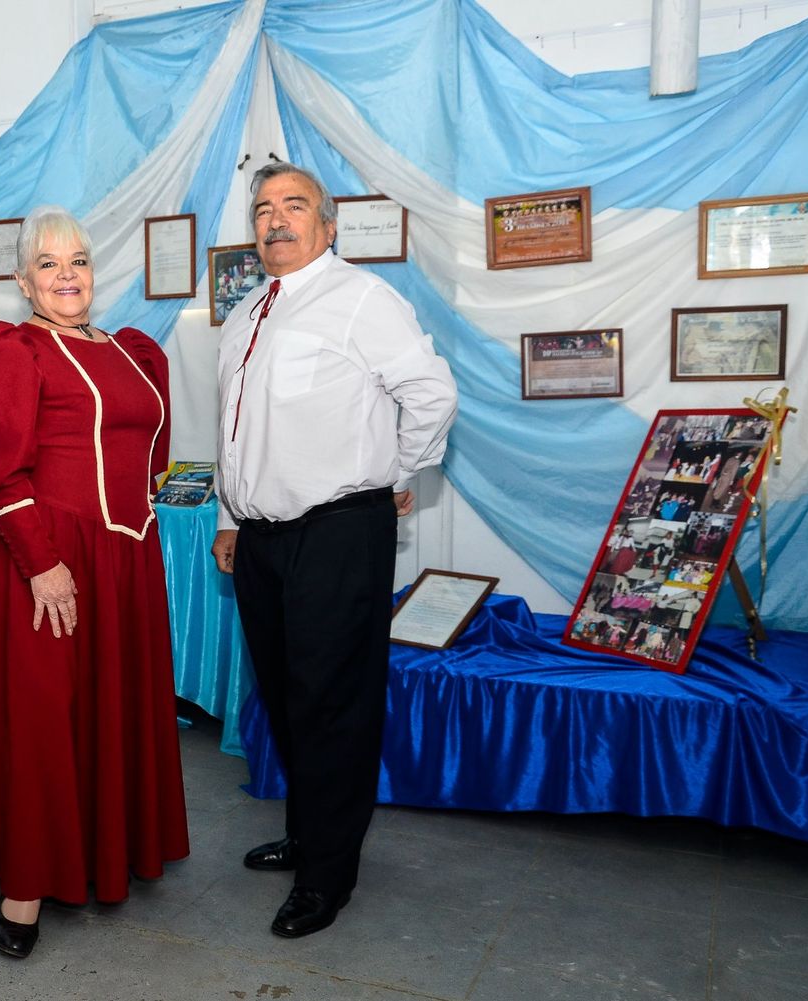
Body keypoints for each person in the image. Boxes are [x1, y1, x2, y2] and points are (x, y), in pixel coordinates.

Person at [210, 162, 458, 938]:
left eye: (293, 206)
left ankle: (329, 876)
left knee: (333, 704)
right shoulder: (246, 310)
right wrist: (228, 514)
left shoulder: (360, 299)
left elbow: (432, 393)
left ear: (328, 223)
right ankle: (310, 832)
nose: (275, 220)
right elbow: (233, 425)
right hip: (259, 540)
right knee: (287, 696)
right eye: (263, 209)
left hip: (338, 532)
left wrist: (393, 472)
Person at [0, 205, 190, 960]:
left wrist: (134, 521)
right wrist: (41, 559)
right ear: (23, 280)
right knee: (45, 713)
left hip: (123, 558)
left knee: (109, 705)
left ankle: (102, 848)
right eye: (48, 264)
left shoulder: (133, 350)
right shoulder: (13, 349)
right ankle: (24, 887)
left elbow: (149, 452)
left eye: (78, 261)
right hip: (46, 556)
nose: (66, 276)